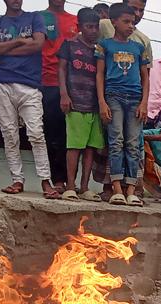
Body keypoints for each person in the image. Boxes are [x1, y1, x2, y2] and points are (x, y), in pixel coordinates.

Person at [0, 0, 56, 197]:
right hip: (1, 82)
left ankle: (45, 181)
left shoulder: (34, 17)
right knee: (9, 133)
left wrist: (4, 49)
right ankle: (17, 180)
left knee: (36, 133)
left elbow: (37, 45)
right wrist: (18, 42)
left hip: (30, 84)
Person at [96, 2, 149, 206]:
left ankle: (131, 189)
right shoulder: (105, 45)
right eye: (126, 21)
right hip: (114, 96)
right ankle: (116, 187)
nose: (131, 26)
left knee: (134, 144)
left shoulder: (139, 47)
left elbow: (145, 77)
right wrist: (102, 102)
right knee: (116, 141)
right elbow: (100, 75)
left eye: (133, 22)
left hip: (135, 99)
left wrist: (144, 102)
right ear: (114, 22)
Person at [58, 6, 102, 201]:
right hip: (76, 103)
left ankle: (84, 187)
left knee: (91, 147)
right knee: (74, 146)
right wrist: (64, 95)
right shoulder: (69, 45)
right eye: (89, 26)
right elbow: (62, 70)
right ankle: (70, 185)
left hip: (95, 105)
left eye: (96, 27)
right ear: (80, 26)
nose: (93, 30)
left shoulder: (100, 50)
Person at [40, 0, 78, 193]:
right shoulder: (38, 17)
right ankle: (51, 179)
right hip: (45, 81)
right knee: (48, 134)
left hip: (74, 86)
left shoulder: (76, 20)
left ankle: (67, 181)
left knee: (68, 135)